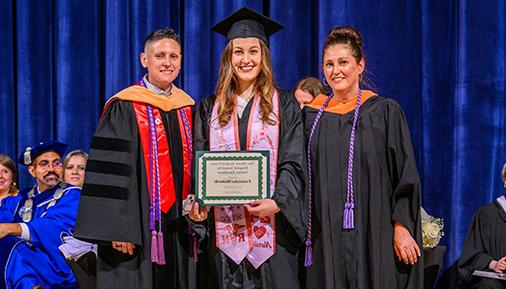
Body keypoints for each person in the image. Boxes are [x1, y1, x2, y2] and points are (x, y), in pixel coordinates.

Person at [191, 7, 306, 289]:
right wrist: (199, 201)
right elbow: (199, 162)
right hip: (224, 236)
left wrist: (278, 201)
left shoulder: (285, 105)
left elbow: (293, 160)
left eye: (253, 51)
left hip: (272, 234)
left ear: (263, 56)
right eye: (238, 52)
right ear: (228, 58)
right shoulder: (209, 107)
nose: (246, 60)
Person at [74, 28, 195, 289]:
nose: (167, 63)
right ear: (144, 59)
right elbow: (110, 174)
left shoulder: (188, 108)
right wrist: (117, 229)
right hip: (136, 226)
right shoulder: (124, 105)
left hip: (179, 226)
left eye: (174, 56)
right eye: (160, 55)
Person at [303, 26, 423, 289]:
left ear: (360, 65)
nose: (336, 71)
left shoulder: (384, 112)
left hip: (374, 234)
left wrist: (401, 226)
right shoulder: (311, 120)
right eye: (329, 64)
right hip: (326, 238)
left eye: (343, 62)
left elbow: (405, 174)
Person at [0, 141, 81, 289]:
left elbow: (54, 225)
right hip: (25, 260)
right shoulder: (20, 199)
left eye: (56, 163)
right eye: (44, 164)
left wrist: (11, 228)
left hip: (55, 265)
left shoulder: (72, 195)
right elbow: (3, 216)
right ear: (32, 170)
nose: (51, 168)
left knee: (11, 245)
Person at [457, 163, 506, 289]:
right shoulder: (486, 215)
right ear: (505, 181)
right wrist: (493, 264)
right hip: (496, 282)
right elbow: (471, 255)